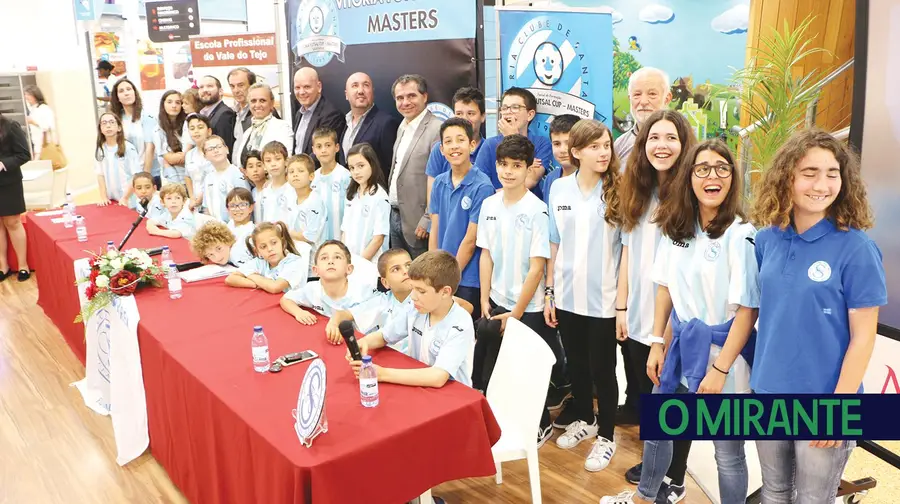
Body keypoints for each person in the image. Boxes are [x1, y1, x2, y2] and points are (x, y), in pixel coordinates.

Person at [600, 140, 757, 504]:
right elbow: (667, 291)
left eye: (722, 168)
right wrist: (658, 342)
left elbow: (748, 311)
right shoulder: (677, 228)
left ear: (733, 178)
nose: (711, 176)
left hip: (725, 354)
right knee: (659, 430)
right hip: (680, 345)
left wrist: (720, 369)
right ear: (689, 177)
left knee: (727, 452)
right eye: (702, 168)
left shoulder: (740, 233)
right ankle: (646, 495)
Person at [750, 129, 886, 503]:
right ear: (787, 177)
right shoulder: (767, 239)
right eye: (809, 172)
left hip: (823, 401)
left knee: (814, 499)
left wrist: (837, 408)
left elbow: (863, 338)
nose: (822, 184)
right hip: (769, 394)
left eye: (832, 173)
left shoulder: (857, 248)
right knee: (774, 493)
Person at [617, 109, 696, 488]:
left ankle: (672, 476)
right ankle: (654, 464)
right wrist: (622, 308)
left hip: (671, 323)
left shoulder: (692, 199)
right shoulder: (639, 192)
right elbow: (628, 253)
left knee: (673, 401)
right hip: (637, 316)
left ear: (684, 146)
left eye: (671, 138)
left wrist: (662, 333)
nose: (661, 146)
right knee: (649, 398)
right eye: (653, 138)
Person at [474, 135, 564, 444]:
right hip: (497, 301)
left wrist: (518, 311)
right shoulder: (489, 204)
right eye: (503, 164)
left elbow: (537, 267)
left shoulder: (536, 210)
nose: (508, 171)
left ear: (528, 169)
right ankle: (507, 422)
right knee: (502, 368)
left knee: (529, 371)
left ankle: (542, 424)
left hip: (529, 308)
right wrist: (485, 297)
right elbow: (485, 253)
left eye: (516, 165)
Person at [545, 119, 623, 469]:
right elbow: (553, 243)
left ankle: (606, 435)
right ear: (575, 152)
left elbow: (628, 252)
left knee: (603, 370)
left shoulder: (619, 191)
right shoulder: (559, 189)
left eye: (606, 145)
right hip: (567, 296)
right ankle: (586, 421)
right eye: (594, 146)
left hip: (604, 299)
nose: (603, 152)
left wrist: (621, 305)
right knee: (575, 363)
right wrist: (550, 293)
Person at [348, 250, 476, 388]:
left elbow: (438, 377)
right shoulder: (415, 308)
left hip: (454, 394)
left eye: (421, 291)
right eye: (412, 288)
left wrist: (382, 373)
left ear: (445, 292)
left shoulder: (460, 323)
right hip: (418, 384)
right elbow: (384, 335)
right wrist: (363, 342)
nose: (413, 296)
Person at [428, 117, 494, 320]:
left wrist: (450, 276)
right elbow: (435, 226)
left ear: (472, 145)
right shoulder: (439, 182)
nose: (454, 146)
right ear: (441, 149)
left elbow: (471, 240)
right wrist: (432, 268)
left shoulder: (483, 186)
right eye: (448, 141)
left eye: (460, 140)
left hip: (467, 278)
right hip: (441, 275)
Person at [280, 240, 380, 341]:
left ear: (349, 269)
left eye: (337, 257)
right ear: (316, 271)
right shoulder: (312, 289)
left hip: (366, 342)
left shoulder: (364, 292)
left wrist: (335, 322)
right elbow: (286, 299)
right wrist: (298, 312)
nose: (330, 261)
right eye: (324, 258)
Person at [388, 74, 441, 258]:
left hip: (419, 223)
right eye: (400, 98)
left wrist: (428, 218)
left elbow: (441, 178)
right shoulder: (402, 127)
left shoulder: (437, 129)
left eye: (411, 96)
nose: (405, 102)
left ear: (424, 97)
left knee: (423, 278)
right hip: (395, 216)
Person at [474, 87, 552, 198]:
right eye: (504, 108)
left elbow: (530, 181)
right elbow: (479, 189)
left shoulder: (541, 143)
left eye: (515, 107)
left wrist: (513, 137)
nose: (508, 112)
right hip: (496, 209)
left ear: (530, 114)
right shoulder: (490, 145)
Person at [425, 87, 487, 193]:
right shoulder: (440, 150)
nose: (464, 118)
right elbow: (432, 193)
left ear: (482, 116)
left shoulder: (489, 150)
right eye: (459, 113)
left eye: (471, 113)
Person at [341, 72, 399, 175]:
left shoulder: (386, 123)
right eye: (355, 86)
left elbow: (390, 168)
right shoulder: (344, 122)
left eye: (366, 85)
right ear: (346, 95)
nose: (360, 91)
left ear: (372, 92)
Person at [225, 221, 307, 293]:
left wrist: (251, 276)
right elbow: (230, 279)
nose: (270, 249)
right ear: (257, 251)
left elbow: (275, 287)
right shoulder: (259, 262)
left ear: (283, 243)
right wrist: (258, 285)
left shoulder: (295, 262)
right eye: (263, 247)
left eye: (274, 243)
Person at [342, 143, 390, 263]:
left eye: (361, 166)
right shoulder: (351, 194)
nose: (356, 172)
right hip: (350, 262)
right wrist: (344, 258)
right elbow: (344, 230)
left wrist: (359, 263)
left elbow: (378, 238)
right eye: (352, 168)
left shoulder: (380, 197)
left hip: (370, 264)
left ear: (372, 165)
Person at [615, 67, 673, 163]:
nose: (643, 102)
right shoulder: (620, 146)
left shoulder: (686, 141)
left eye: (652, 94)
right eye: (637, 94)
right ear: (630, 99)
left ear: (667, 98)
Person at [0, 113, 32, 282]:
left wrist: (3, 164)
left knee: (12, 222)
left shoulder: (10, 125)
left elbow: (24, 154)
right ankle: (3, 266)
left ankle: (23, 265)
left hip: (8, 183)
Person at [110, 78, 158, 185]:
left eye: (129, 89)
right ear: (117, 97)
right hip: (126, 176)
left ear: (134, 93)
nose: (126, 93)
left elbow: (150, 148)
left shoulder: (147, 117)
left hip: (147, 175)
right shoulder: (116, 119)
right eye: (121, 91)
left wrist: (144, 177)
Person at [232, 83, 293, 166]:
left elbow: (285, 160)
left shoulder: (282, 128)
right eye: (253, 101)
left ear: (272, 103)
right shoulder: (248, 132)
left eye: (262, 100)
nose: (257, 105)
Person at [292, 67, 345, 162]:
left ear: (319, 87)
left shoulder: (331, 115)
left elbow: (323, 154)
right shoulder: (299, 113)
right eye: (297, 87)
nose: (301, 92)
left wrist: (300, 170)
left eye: (307, 87)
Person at [285, 155, 326, 271]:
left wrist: (286, 232)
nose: (295, 174)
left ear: (311, 176)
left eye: (300, 171)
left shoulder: (314, 201)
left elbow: (310, 236)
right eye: (291, 172)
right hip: (296, 258)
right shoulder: (292, 199)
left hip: (312, 262)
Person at [310, 127, 350, 241]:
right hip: (318, 242)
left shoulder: (346, 177)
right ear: (313, 150)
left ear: (336, 147)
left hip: (341, 240)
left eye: (328, 145)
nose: (323, 150)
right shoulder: (312, 178)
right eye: (319, 146)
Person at [94, 112, 141, 207]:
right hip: (111, 200)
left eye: (111, 122)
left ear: (119, 127)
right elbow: (100, 175)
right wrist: (103, 197)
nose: (108, 125)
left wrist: (125, 198)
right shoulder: (100, 150)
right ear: (100, 129)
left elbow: (135, 176)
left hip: (129, 201)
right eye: (104, 123)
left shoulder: (128, 148)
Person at [201, 135, 250, 222]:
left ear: (227, 149)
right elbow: (206, 208)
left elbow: (246, 206)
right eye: (210, 149)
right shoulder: (208, 178)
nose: (216, 151)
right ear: (205, 156)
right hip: (215, 228)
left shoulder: (237, 174)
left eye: (219, 147)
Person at [540, 114, 580, 204]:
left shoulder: (590, 177)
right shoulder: (550, 178)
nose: (563, 150)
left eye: (569, 143)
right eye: (557, 144)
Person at [154, 90, 187, 186]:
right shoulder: (158, 129)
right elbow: (170, 159)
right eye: (169, 102)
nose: (174, 105)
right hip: (172, 180)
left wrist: (179, 157)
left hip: (191, 178)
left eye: (178, 102)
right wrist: (185, 156)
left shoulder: (188, 124)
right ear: (163, 104)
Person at [198, 75, 237, 152]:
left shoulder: (225, 114)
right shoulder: (201, 114)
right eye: (201, 87)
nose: (204, 90)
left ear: (220, 91)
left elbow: (225, 149)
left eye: (210, 86)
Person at [184, 114, 213, 210]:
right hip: (195, 203)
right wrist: (192, 197)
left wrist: (202, 197)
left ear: (209, 131)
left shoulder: (215, 152)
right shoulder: (189, 155)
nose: (196, 131)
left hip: (212, 202)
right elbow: (187, 176)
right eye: (192, 128)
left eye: (200, 127)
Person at [258, 141, 292, 223]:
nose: (273, 164)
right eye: (268, 161)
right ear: (263, 165)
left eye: (278, 159)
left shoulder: (293, 190)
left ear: (286, 161)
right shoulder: (263, 193)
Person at [23, 85, 57, 160]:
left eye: (29, 95)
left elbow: (48, 126)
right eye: (25, 95)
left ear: (35, 95)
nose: (27, 97)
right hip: (38, 147)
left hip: (45, 145)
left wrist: (33, 122)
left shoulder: (44, 108)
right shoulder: (33, 109)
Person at [227, 67, 256, 143]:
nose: (236, 90)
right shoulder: (233, 112)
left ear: (252, 85)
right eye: (232, 86)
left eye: (241, 85)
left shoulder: (261, 111)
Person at [240, 149, 266, 223]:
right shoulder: (252, 193)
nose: (255, 170)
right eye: (251, 167)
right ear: (245, 172)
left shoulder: (271, 188)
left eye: (259, 165)